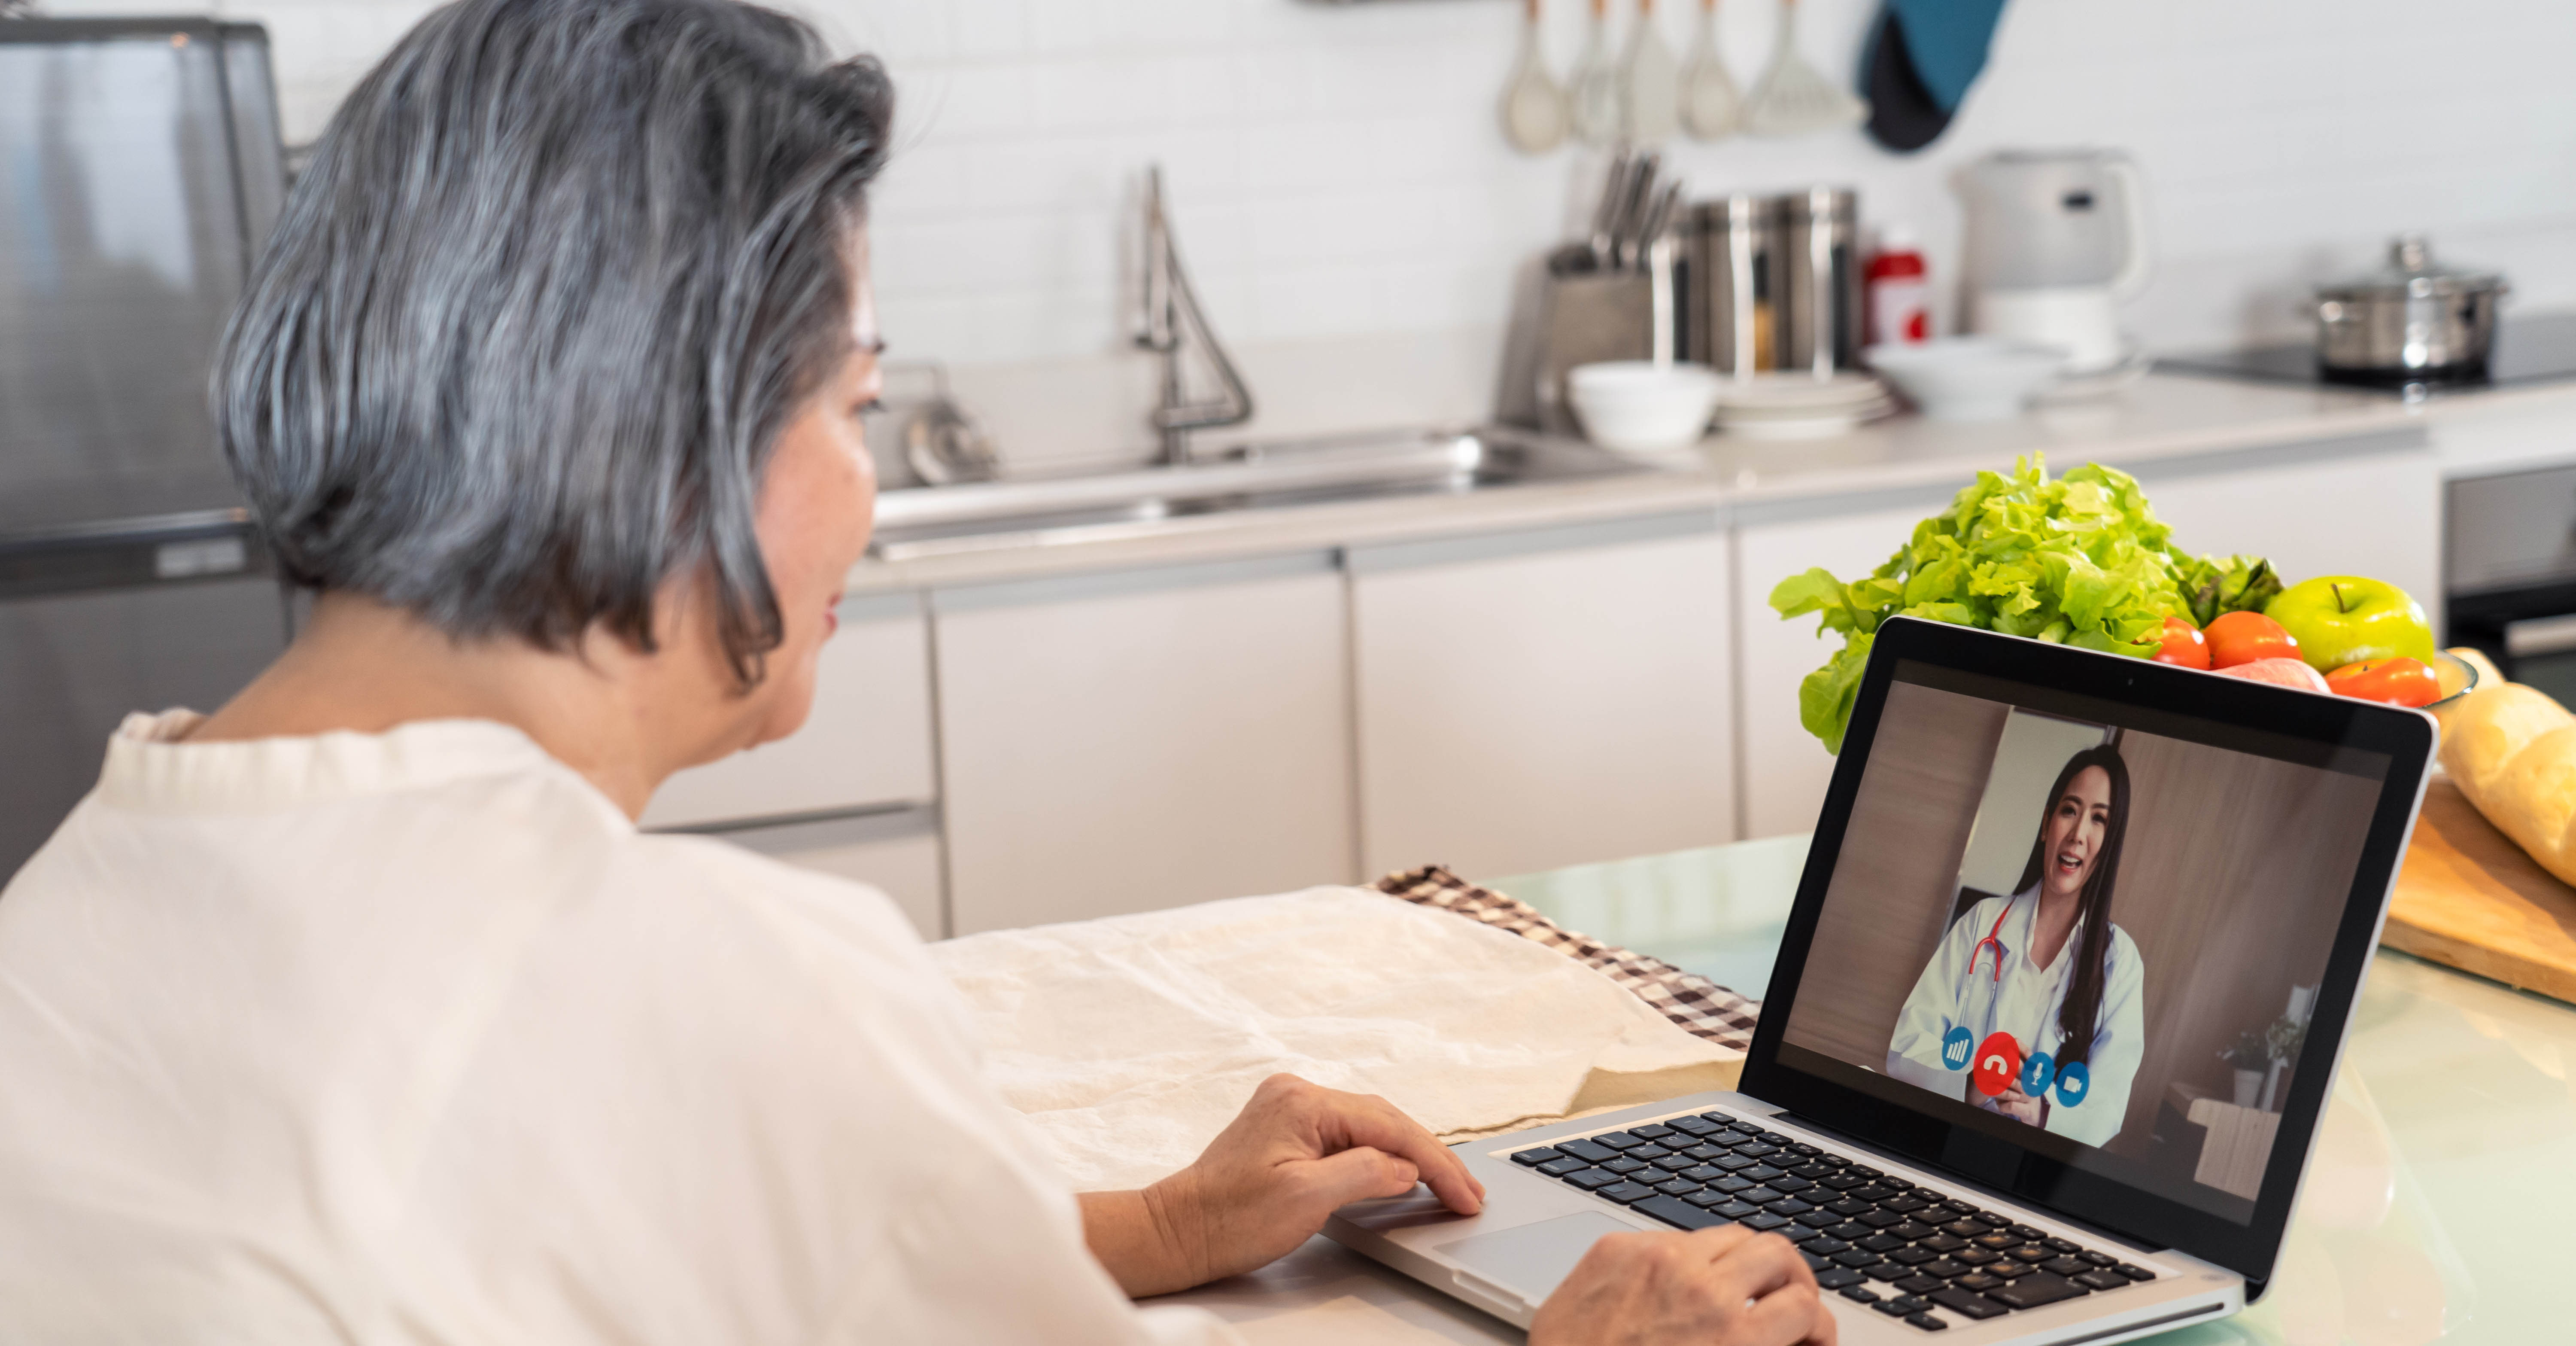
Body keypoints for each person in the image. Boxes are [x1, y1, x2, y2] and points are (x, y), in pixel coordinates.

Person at [0, 2, 1833, 1343]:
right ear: (671, 434)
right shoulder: (711, 982)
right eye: (855, 403)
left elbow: (617, 1228)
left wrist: (1153, 1221)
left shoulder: (70, 904)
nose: (867, 494)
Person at [1885, 746, 2147, 1146]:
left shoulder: (2120, 963)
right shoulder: (1981, 923)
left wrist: (2042, 1113)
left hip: (2030, 1162)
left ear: (2110, 844)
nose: (2078, 834)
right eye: (2069, 811)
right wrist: (1972, 1082)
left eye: (2099, 819)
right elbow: (1906, 1046)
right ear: (2046, 824)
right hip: (1945, 1142)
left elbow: (2108, 1105)